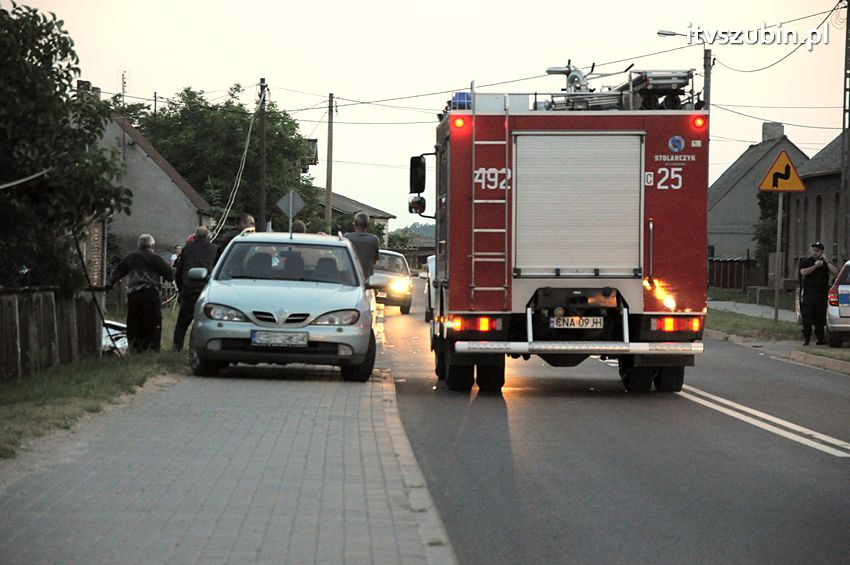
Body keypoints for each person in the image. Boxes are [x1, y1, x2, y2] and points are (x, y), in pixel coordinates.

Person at [108, 234, 174, 353]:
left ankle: (134, 348)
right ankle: (152, 349)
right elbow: (169, 275)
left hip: (135, 296)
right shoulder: (156, 259)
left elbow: (116, 272)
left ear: (139, 246)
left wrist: (109, 285)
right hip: (151, 295)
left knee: (134, 322)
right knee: (153, 323)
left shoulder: (131, 258)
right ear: (152, 246)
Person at [172, 226, 218, 351]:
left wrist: (181, 289)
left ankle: (177, 348)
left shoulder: (187, 249)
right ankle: (205, 348)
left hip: (190, 289)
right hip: (207, 291)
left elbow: (179, 272)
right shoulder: (214, 249)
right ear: (208, 236)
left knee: (182, 323)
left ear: (195, 236)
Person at [799, 241, 838, 345]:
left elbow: (835, 272)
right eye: (814, 250)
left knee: (820, 316)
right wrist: (815, 266)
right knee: (807, 316)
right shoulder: (806, 261)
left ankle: (820, 338)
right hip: (809, 294)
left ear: (822, 252)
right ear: (810, 251)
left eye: (818, 251)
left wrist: (826, 261)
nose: (815, 252)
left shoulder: (826, 263)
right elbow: (803, 272)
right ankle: (807, 338)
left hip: (822, 293)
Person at [344, 212, 380, 278]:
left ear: (354, 224)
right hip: (367, 277)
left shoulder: (347, 237)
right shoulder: (374, 239)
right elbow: (375, 259)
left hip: (349, 276)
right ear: (367, 226)